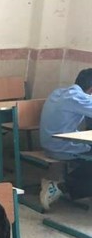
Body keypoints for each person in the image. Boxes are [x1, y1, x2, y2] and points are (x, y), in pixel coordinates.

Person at [38, 68, 92, 210]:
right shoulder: (78, 97)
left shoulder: (59, 92)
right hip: (61, 147)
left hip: (50, 143)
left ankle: (64, 185)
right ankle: (62, 187)